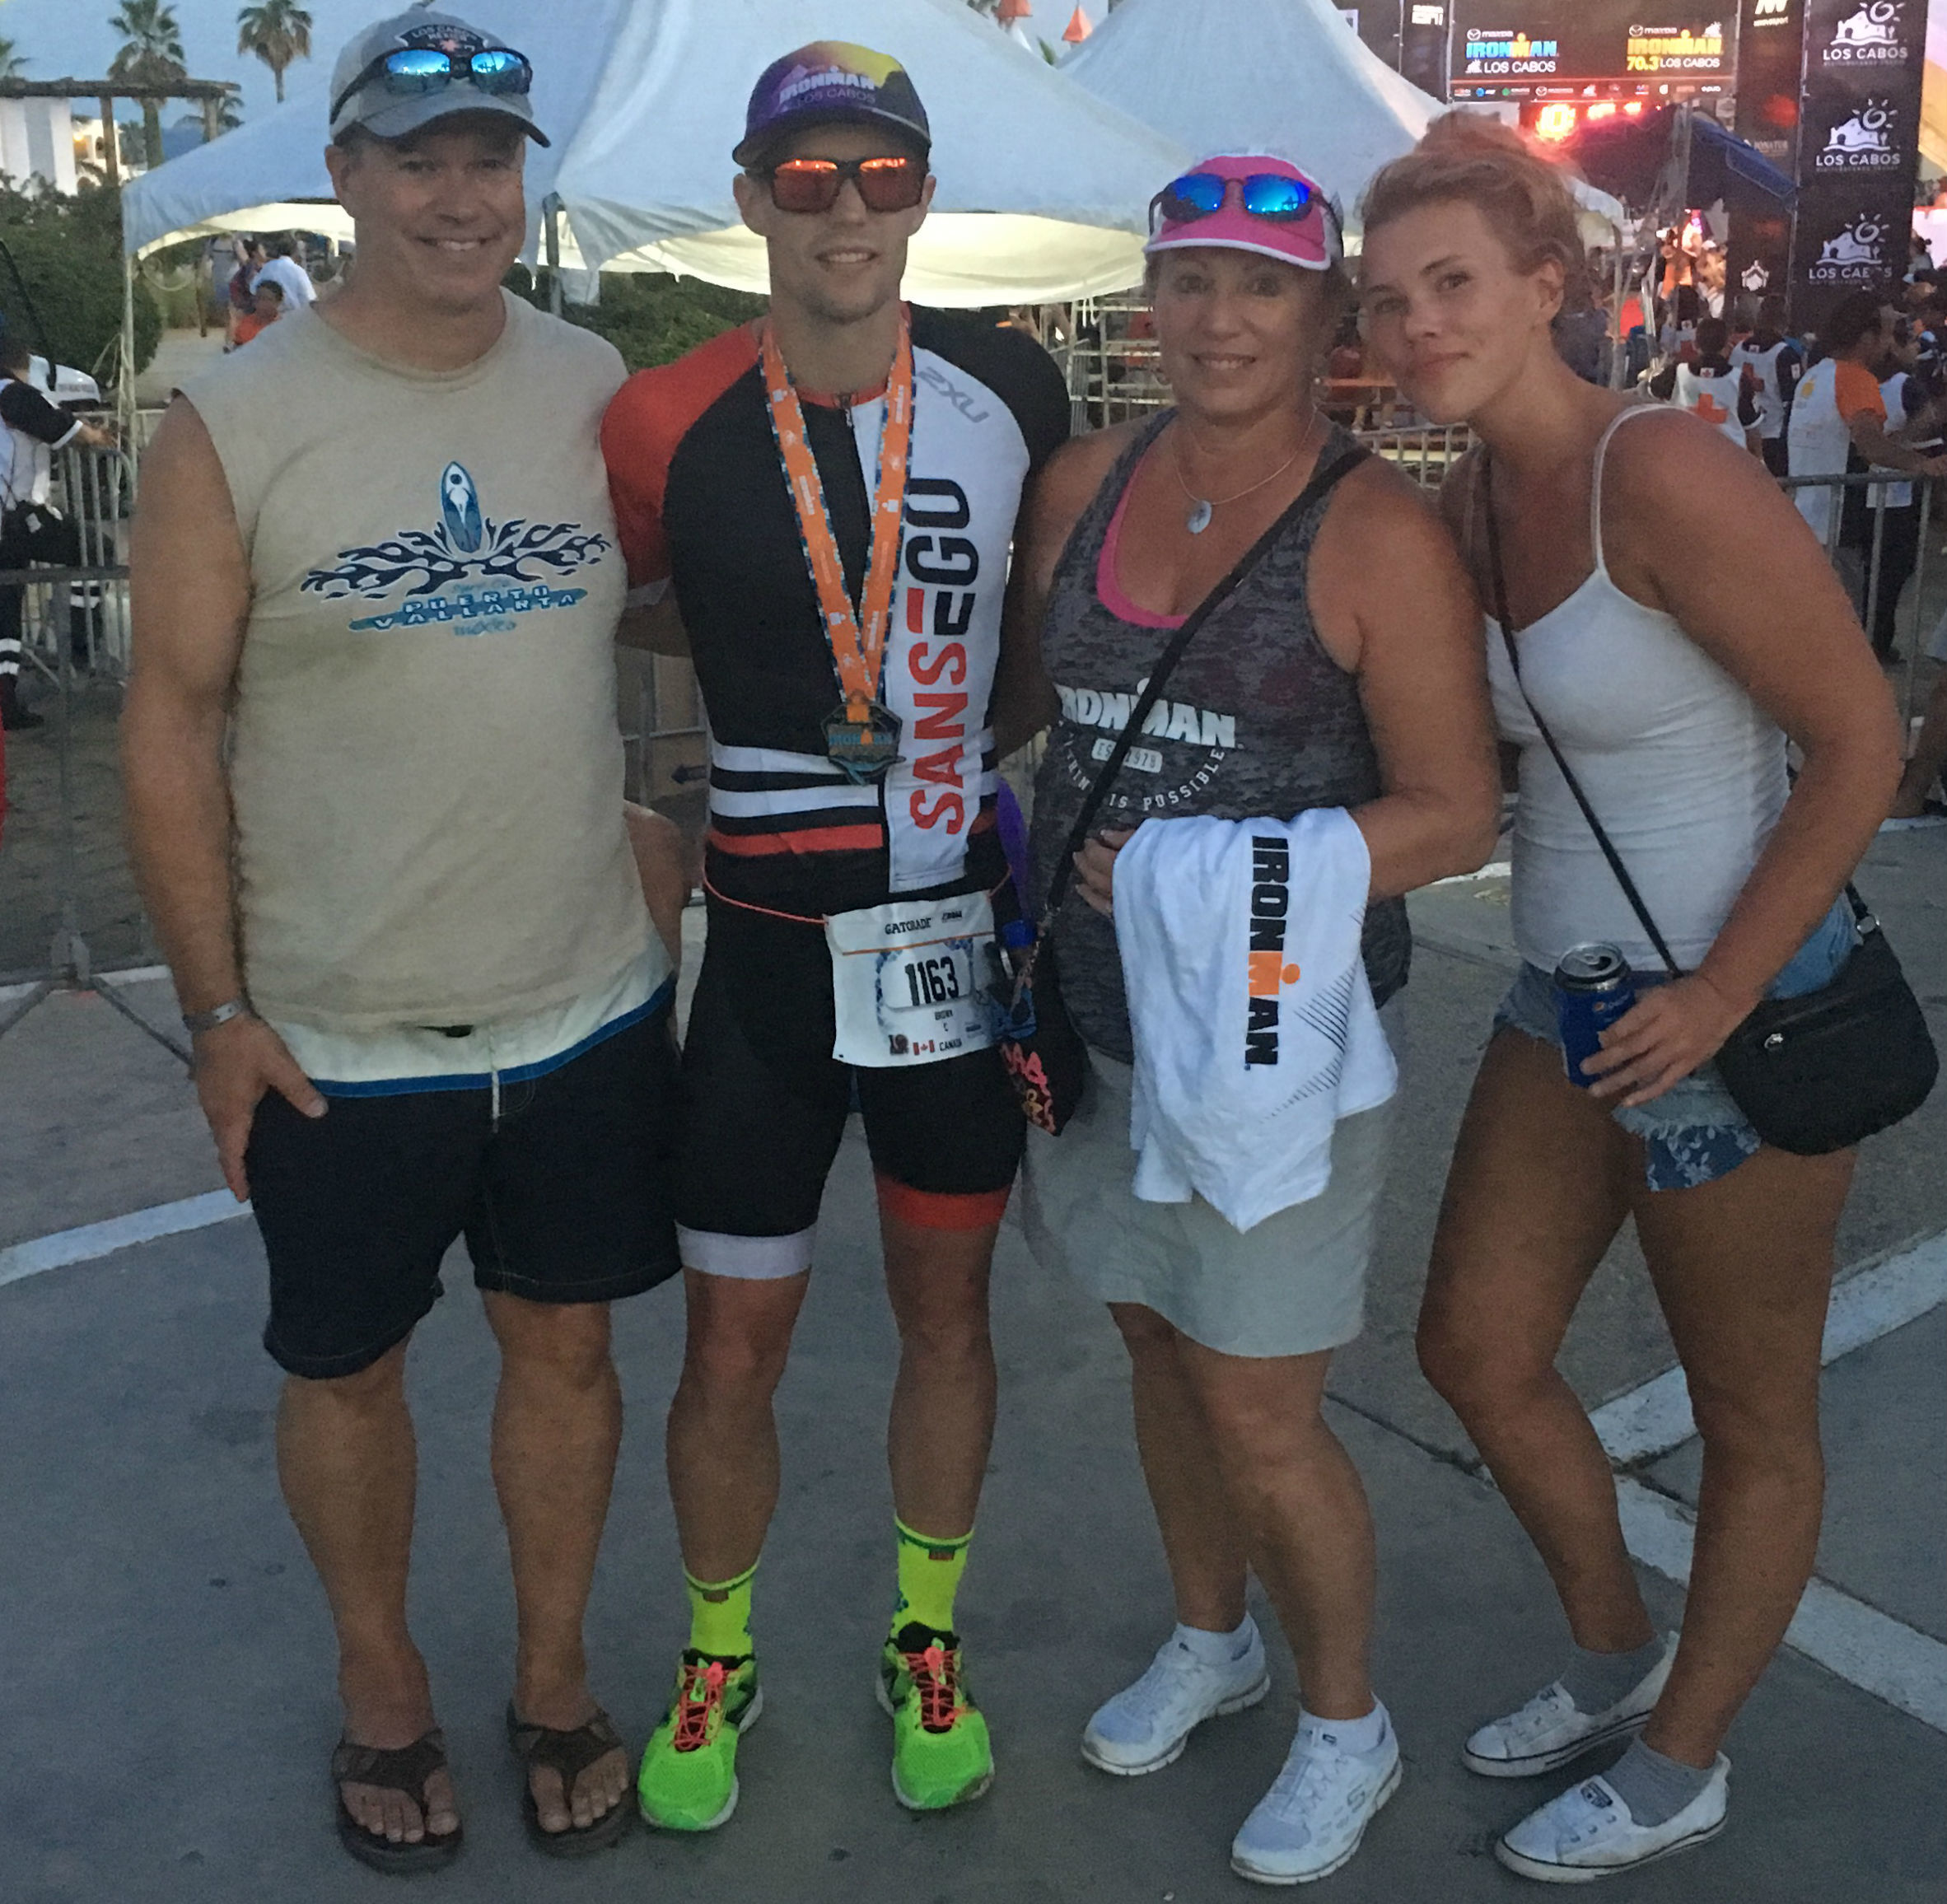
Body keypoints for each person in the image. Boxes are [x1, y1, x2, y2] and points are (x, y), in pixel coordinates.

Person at [121, 10, 686, 1869]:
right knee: (345, 1371)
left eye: (493, 157)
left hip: (584, 1002)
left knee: (570, 1354)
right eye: (422, 156)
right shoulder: (237, 416)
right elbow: (171, 725)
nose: (464, 194)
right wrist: (212, 1007)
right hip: (340, 1028)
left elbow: (618, 635)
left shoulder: (591, 377)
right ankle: (382, 1693)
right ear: (348, 174)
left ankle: (548, 1678)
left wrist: (652, 811)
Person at [1359, 114, 1904, 1883]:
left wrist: (1727, 986)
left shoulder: (1655, 471)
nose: (1420, 326)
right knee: (1476, 1347)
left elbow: (1861, 739)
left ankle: (1686, 1760)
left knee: (1753, 1418)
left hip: (1743, 1008)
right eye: (1387, 302)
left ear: (1546, 288)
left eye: (1454, 285)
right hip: (1571, 996)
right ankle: (1612, 1649)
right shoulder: (1470, 495)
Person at [1011, 153, 1501, 1888]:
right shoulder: (1081, 482)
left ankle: (1346, 1721)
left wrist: (1209, 871)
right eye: (1191, 280)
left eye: (1264, 287)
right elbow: (1042, 733)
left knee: (1268, 1411)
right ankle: (1214, 1638)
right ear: (1149, 301)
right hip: (1103, 1035)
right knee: (1157, 1339)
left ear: (1323, 319)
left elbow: (1456, 812)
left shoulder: (1376, 531)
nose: (1219, 317)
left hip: (1285, 1053)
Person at [600, 42, 1070, 1827]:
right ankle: (717, 1658)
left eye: (881, 173)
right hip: (768, 954)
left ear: (926, 194)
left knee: (949, 1317)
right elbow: (594, 610)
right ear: (751, 199)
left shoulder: (1011, 386)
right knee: (734, 1345)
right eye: (809, 178)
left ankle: (920, 1637)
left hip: (947, 943)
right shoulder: (665, 415)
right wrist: (626, 818)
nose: (847, 207)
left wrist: (958, 767)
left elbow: (1042, 630)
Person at [0, 333, 113, 730]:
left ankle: (6, 701)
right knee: (96, 551)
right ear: (23, 362)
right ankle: (80, 644)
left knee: (7, 608)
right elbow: (63, 429)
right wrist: (97, 436)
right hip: (17, 518)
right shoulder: (14, 394)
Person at [1787, 291, 1947, 551]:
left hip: (1804, 521)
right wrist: (1921, 464)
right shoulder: (1857, 380)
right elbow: (1870, 444)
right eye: (1885, 335)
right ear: (1867, 339)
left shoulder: (1814, 375)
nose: (1889, 345)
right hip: (1839, 527)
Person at [1651, 315, 1758, 455]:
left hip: (1686, 455)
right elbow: (1751, 426)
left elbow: (1653, 390)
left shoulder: (1676, 372)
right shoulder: (1739, 379)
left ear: (1695, 344)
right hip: (1730, 457)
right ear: (1727, 346)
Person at [1728, 294, 1804, 478]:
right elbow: (1792, 403)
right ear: (1784, 322)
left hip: (1743, 434)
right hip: (1774, 436)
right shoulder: (1785, 354)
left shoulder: (1738, 350)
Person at [254, 233, 319, 309]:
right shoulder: (297, 270)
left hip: (270, 315)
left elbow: (253, 291)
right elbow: (309, 298)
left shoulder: (266, 269)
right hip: (295, 315)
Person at [231, 277, 286, 348]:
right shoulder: (246, 323)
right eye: (258, 298)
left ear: (278, 302)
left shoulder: (282, 326)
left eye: (267, 299)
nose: (261, 303)